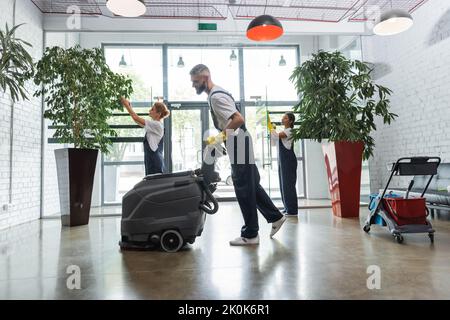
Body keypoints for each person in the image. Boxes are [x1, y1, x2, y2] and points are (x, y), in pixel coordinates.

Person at [190, 64, 286, 246]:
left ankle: (250, 235)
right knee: (251, 184)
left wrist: (220, 136)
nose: (194, 85)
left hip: (238, 141)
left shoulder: (216, 96)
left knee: (243, 187)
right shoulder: (219, 93)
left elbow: (238, 119)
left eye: (195, 82)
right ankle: (275, 217)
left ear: (205, 77)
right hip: (239, 140)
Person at [120, 97, 170, 175]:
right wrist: (129, 107)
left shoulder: (156, 125)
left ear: (158, 114)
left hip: (154, 163)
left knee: (152, 185)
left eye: (152, 109)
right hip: (152, 161)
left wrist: (126, 105)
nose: (149, 110)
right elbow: (137, 121)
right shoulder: (153, 126)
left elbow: (136, 118)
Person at [271, 113, 298, 217]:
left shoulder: (290, 131)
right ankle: (287, 207)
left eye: (285, 118)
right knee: (283, 185)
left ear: (290, 121)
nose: (283, 119)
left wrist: (271, 128)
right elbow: (274, 142)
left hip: (288, 160)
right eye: (283, 117)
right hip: (282, 161)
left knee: (288, 185)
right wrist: (272, 130)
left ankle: (292, 210)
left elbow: (277, 136)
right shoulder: (283, 131)